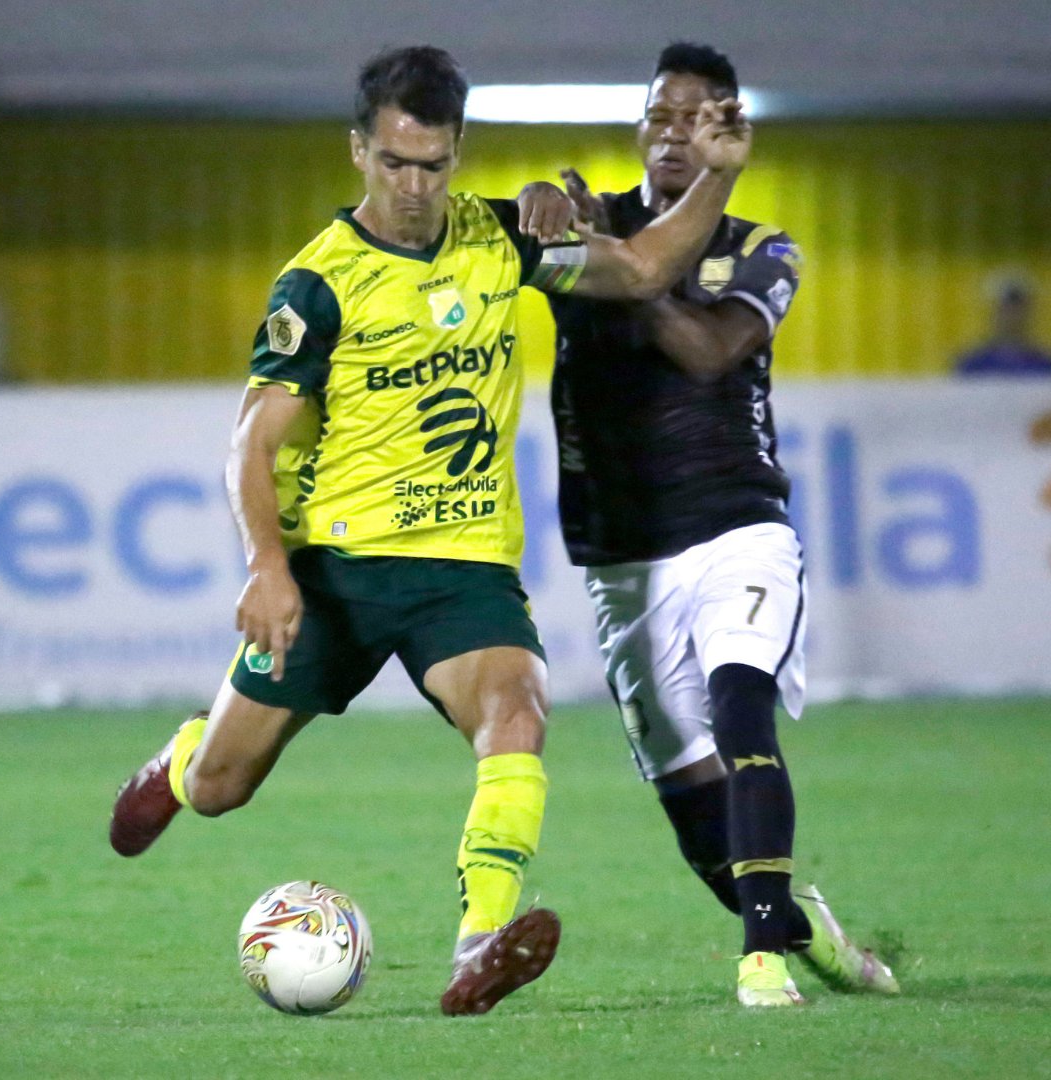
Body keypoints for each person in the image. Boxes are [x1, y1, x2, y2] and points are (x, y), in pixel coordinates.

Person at [110, 44, 753, 1016]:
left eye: (435, 164)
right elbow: (252, 440)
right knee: (223, 787)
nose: (415, 187)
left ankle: (479, 940)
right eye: (395, 162)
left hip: (464, 568)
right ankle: (185, 760)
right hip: (339, 570)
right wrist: (267, 567)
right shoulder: (317, 285)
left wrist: (717, 174)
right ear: (358, 150)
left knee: (518, 712)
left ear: (458, 153)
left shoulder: (503, 241)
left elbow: (644, 267)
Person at [547, 41, 900, 1006]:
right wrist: (542, 210)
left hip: (736, 527)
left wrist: (626, 269)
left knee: (740, 704)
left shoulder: (761, 247)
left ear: (729, 130)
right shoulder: (583, 223)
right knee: (693, 815)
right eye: (658, 116)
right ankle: (809, 936)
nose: (672, 134)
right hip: (623, 557)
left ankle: (761, 961)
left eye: (694, 119)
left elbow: (708, 353)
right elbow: (513, 244)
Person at [954, 275, 1051, 376]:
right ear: (993, 312)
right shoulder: (973, 364)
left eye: (1018, 308)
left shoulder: (1044, 364)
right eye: (1005, 308)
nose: (1012, 314)